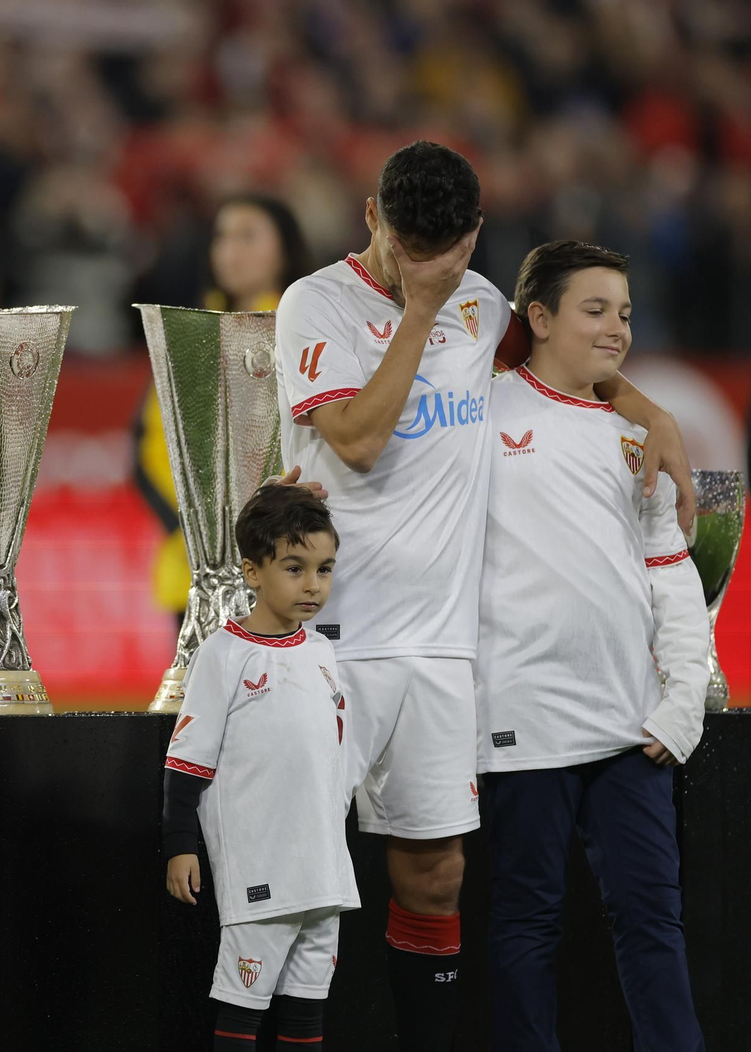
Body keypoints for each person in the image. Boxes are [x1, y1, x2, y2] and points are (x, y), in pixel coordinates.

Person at [272, 141, 695, 1049]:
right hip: (331, 632)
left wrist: (651, 412)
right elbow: (354, 440)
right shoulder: (318, 302)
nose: (423, 267)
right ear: (371, 217)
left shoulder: (485, 301)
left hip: (438, 648)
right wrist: (421, 309)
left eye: (449, 250)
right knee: (297, 875)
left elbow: (568, 367)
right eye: (404, 246)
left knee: (436, 877)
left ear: (475, 234)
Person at [477, 240, 709, 1050]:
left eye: (626, 314)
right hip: (519, 721)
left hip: (628, 730)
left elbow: (670, 571)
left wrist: (683, 701)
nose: (617, 329)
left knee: (654, 921)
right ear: (537, 318)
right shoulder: (478, 411)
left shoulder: (637, 434)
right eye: (596, 309)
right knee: (524, 926)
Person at [163, 484, 357, 1049]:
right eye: (295, 568)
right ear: (252, 571)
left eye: (324, 569)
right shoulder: (223, 655)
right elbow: (186, 762)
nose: (313, 585)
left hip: (323, 871)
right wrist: (181, 845)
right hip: (261, 871)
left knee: (306, 1014)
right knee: (242, 1013)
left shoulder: (323, 653)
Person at [134, 196, 311, 628]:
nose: (231, 250)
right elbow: (148, 446)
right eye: (222, 237)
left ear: (285, 249)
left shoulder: (307, 330)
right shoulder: (185, 334)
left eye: (248, 236)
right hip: (195, 559)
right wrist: (196, 525)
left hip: (284, 552)